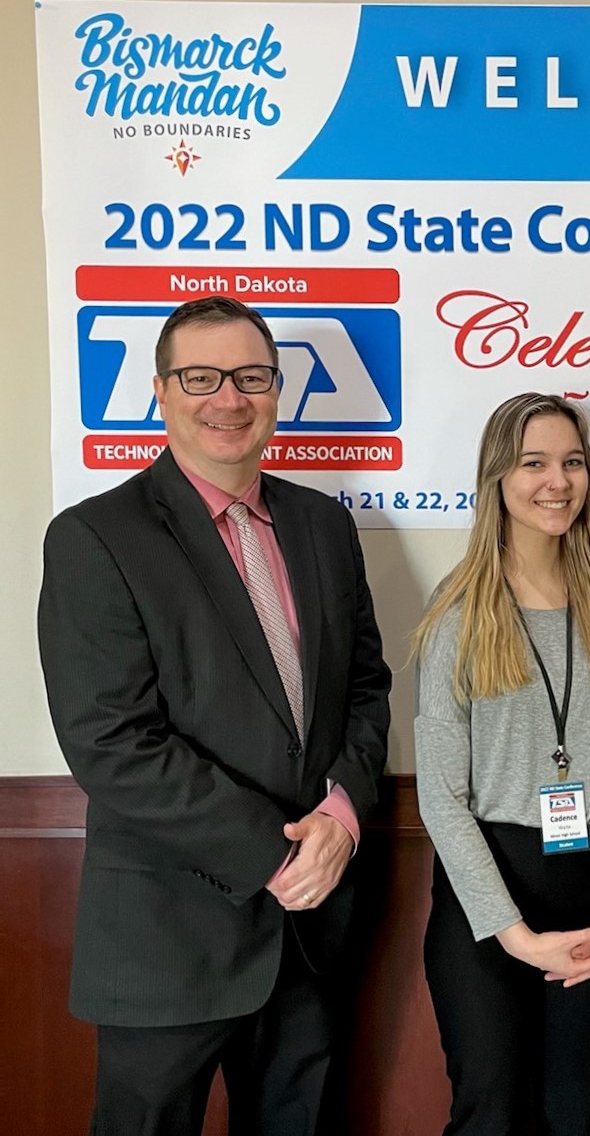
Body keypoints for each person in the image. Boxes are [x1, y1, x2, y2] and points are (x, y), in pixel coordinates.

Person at [37, 295, 391, 1135]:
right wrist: (275, 852)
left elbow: (368, 689)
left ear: (277, 390)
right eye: (201, 376)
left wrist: (341, 812)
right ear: (160, 392)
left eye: (251, 376)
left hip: (309, 931)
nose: (228, 398)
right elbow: (112, 743)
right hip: (169, 938)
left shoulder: (324, 527)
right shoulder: (96, 536)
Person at [412, 392, 590, 1135]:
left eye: (573, 462)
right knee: (490, 1111)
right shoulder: (457, 615)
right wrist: (517, 936)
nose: (558, 481)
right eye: (534, 463)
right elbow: (441, 798)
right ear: (497, 478)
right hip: (488, 895)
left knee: (574, 1113)